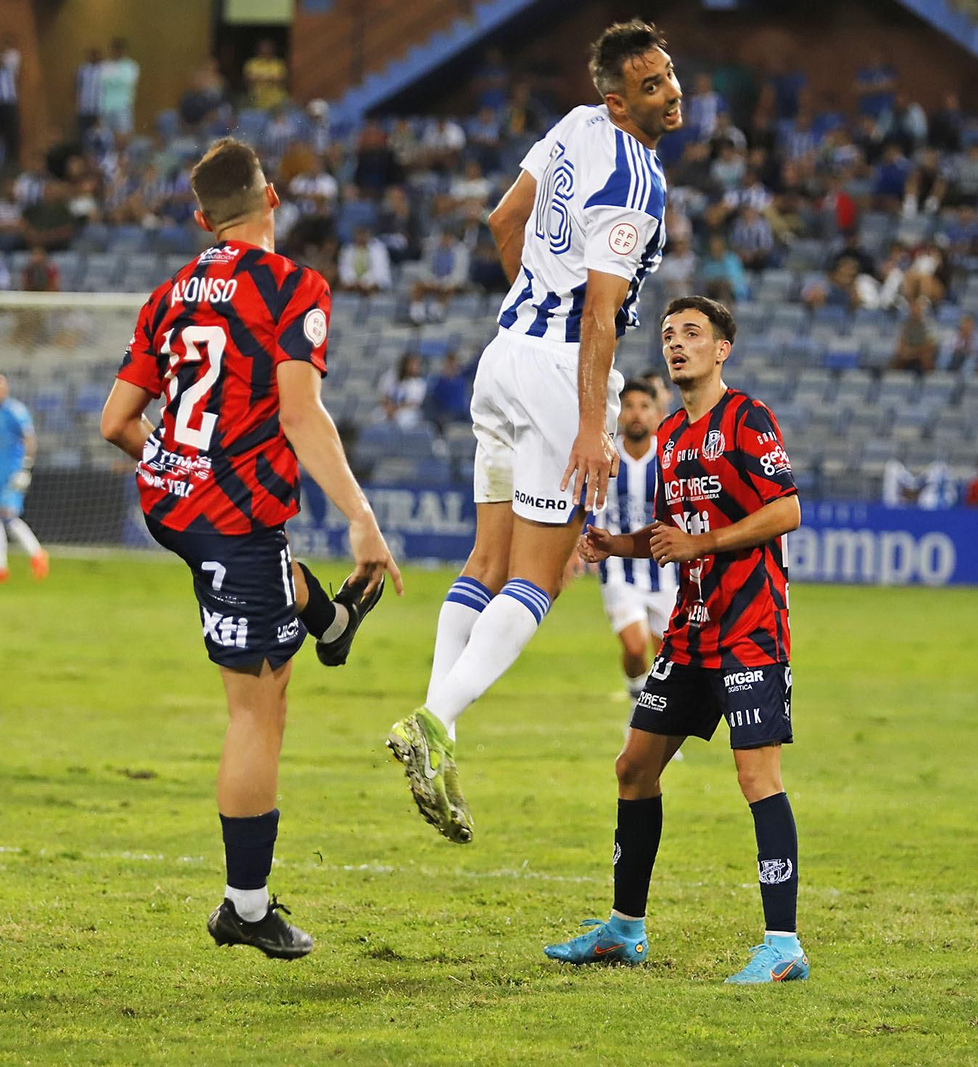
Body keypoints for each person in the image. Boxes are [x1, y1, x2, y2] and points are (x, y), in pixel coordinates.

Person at [98, 137, 401, 959]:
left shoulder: (165, 296)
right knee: (256, 713)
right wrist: (362, 516)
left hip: (176, 502)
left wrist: (175, 462)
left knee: (269, 581)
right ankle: (245, 905)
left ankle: (329, 623)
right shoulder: (292, 285)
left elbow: (116, 423)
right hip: (228, 518)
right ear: (273, 200)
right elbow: (300, 413)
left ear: (201, 218)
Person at [386, 20, 683, 845]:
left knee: (485, 561)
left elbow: (500, 222)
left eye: (671, 75)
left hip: (502, 355)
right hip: (559, 372)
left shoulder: (572, 127)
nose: (672, 91)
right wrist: (591, 424)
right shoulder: (637, 177)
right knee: (541, 577)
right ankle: (435, 720)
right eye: (653, 84)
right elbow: (598, 313)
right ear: (620, 101)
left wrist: (533, 306)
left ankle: (436, 736)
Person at [546, 296, 807, 984]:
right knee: (634, 768)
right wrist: (616, 545)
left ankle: (783, 945)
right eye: (668, 335)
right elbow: (670, 537)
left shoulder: (748, 419)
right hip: (690, 632)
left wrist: (705, 541)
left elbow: (787, 508)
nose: (677, 343)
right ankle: (626, 928)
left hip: (748, 629)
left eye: (693, 332)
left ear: (723, 348)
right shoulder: (671, 438)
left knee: (756, 775)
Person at [592, 379, 677, 708]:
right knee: (635, 645)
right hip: (618, 568)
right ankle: (635, 694)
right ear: (619, 414)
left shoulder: (670, 458)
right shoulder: (605, 455)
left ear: (657, 414)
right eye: (629, 407)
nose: (636, 414)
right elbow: (589, 503)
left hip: (666, 570)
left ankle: (655, 722)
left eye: (644, 407)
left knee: (669, 656)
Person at [0, 373, 48, 582]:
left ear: (5, 387)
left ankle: (37, 555)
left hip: (12, 470)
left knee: (8, 516)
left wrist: (26, 468)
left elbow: (29, 438)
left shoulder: (15, 410)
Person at [99, 38, 139, 135]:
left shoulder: (131, 65)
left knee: (123, 134)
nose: (115, 52)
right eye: (113, 49)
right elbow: (101, 82)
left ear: (124, 51)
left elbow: (126, 82)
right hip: (105, 106)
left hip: (123, 105)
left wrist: (112, 78)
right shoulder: (104, 64)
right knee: (105, 135)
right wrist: (116, 78)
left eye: (118, 50)